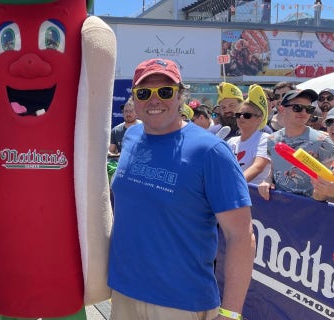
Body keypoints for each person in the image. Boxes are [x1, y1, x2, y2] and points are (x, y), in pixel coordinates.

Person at [108, 58, 255, 320]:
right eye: (144, 93)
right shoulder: (130, 137)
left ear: (180, 97)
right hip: (124, 294)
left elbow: (241, 236)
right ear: (134, 100)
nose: (154, 100)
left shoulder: (210, 151)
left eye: (165, 92)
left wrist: (231, 313)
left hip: (181, 303)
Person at [258, 88, 334, 200]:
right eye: (297, 108)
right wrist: (268, 180)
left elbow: (332, 183)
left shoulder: (323, 141)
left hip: (312, 210)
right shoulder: (272, 140)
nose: (304, 113)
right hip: (279, 207)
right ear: (282, 109)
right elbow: (275, 167)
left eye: (309, 109)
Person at [227, 84, 271, 185]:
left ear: (259, 119)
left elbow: (258, 167)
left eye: (247, 115)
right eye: (238, 115)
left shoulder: (265, 139)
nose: (241, 118)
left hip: (255, 197)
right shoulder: (231, 142)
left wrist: (234, 184)